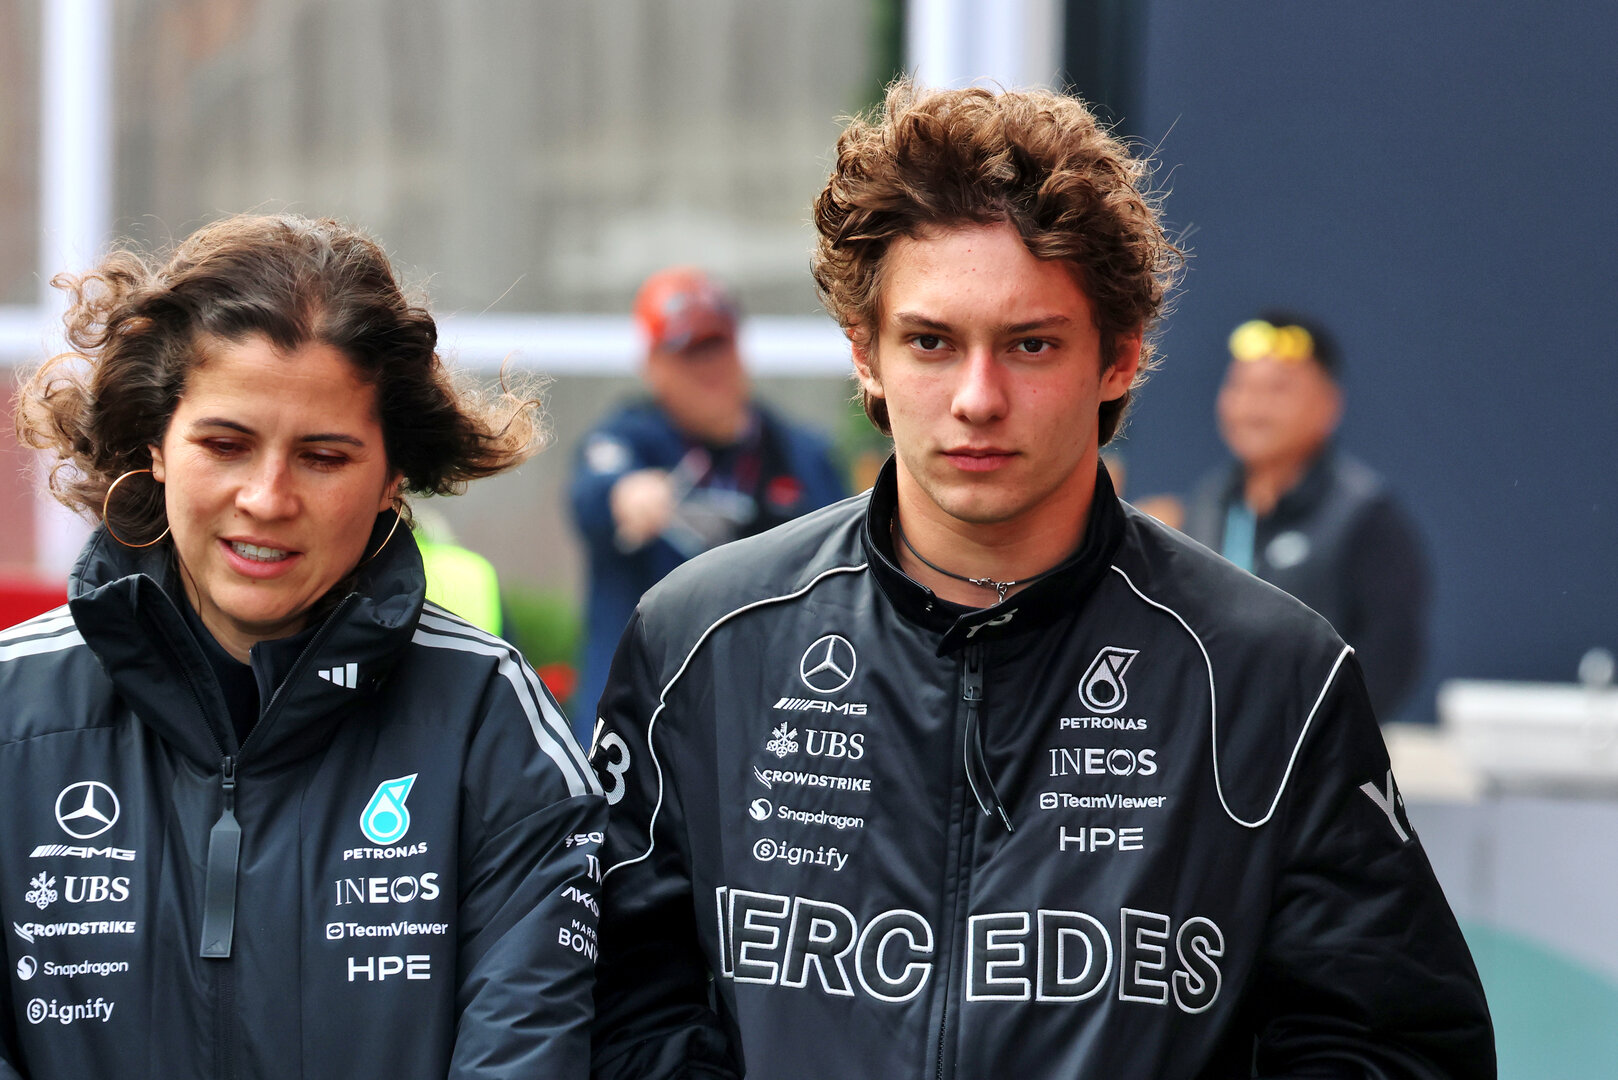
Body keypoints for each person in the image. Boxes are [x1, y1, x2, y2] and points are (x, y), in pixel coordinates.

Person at [588, 83, 1493, 1079]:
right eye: (931, 342)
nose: (977, 400)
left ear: (1119, 358)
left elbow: (1393, 1047)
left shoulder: (1269, 672)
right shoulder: (700, 640)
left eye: (1030, 344)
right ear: (867, 358)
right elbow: (616, 1002)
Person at [2, 214, 603, 1079]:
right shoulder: (13, 715)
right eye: (225, 443)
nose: (268, 497)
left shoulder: (492, 730)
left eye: (323, 457)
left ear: (395, 476)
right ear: (156, 443)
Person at [567, 266, 845, 742]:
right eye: (689, 351)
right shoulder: (627, 440)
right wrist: (628, 495)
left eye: (717, 344)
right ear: (653, 364)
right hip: (639, 719)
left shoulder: (799, 453)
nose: (709, 366)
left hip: (765, 717)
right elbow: (595, 493)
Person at [1181, 314, 1431, 719]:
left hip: (1317, 764)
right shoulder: (1208, 505)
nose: (1252, 406)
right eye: (1239, 386)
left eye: (1278, 389)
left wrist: (1321, 737)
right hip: (1213, 757)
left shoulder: (1365, 515)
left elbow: (1392, 653)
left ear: (1329, 405)